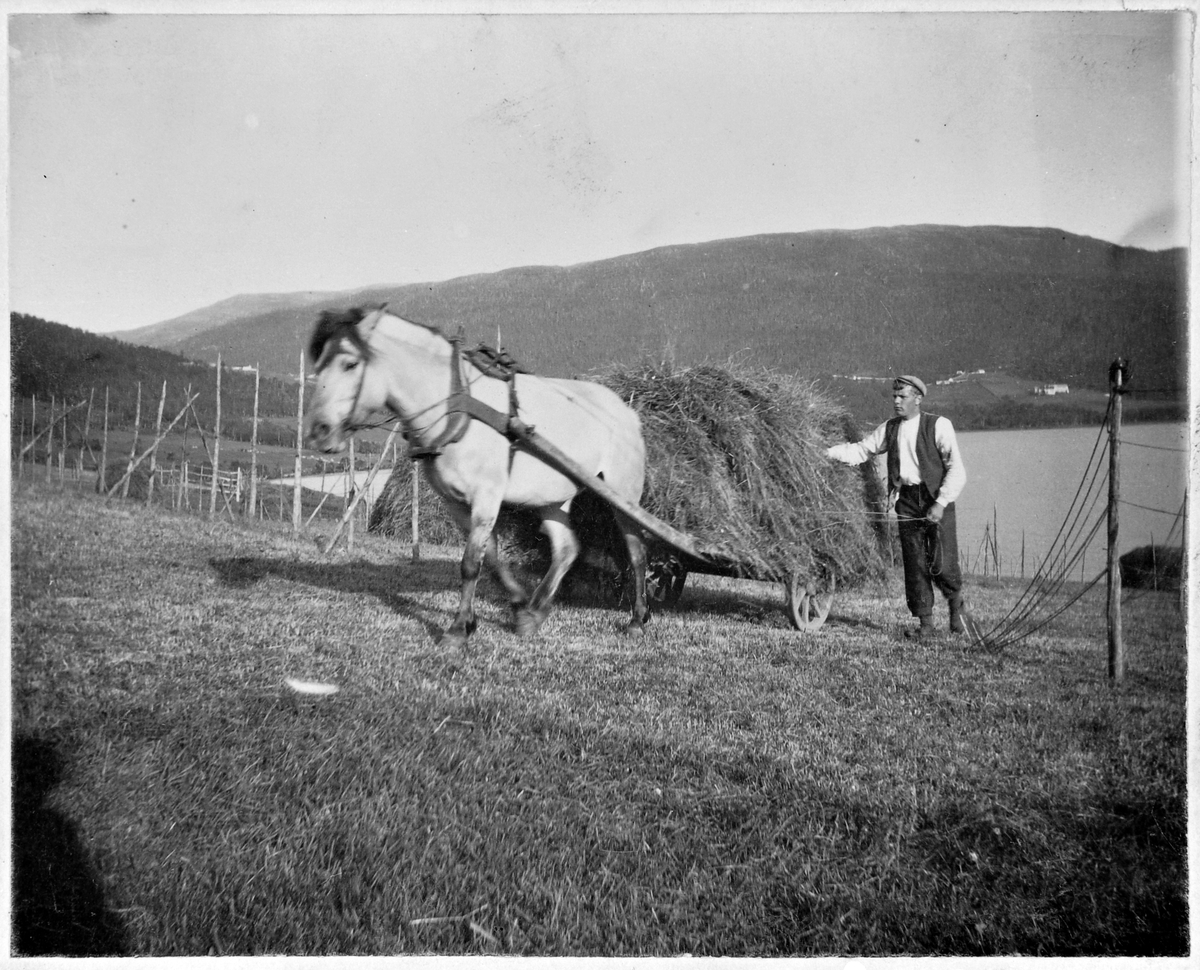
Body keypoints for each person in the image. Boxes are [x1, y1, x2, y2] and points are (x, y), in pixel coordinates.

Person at [826, 375, 967, 639]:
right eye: (894, 396)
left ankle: (955, 607)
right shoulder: (890, 428)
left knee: (942, 561)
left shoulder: (938, 426)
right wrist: (826, 452)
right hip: (908, 502)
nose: (897, 401)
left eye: (902, 396)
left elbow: (957, 470)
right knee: (914, 563)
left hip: (936, 498)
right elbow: (861, 451)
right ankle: (925, 626)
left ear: (918, 398)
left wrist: (941, 502)